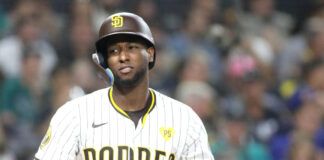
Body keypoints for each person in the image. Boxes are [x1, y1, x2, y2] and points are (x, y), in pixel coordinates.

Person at [34, 12, 214, 160]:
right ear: (105, 61)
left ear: (150, 53)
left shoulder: (184, 119)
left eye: (132, 47)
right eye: (113, 51)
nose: (122, 56)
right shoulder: (74, 114)